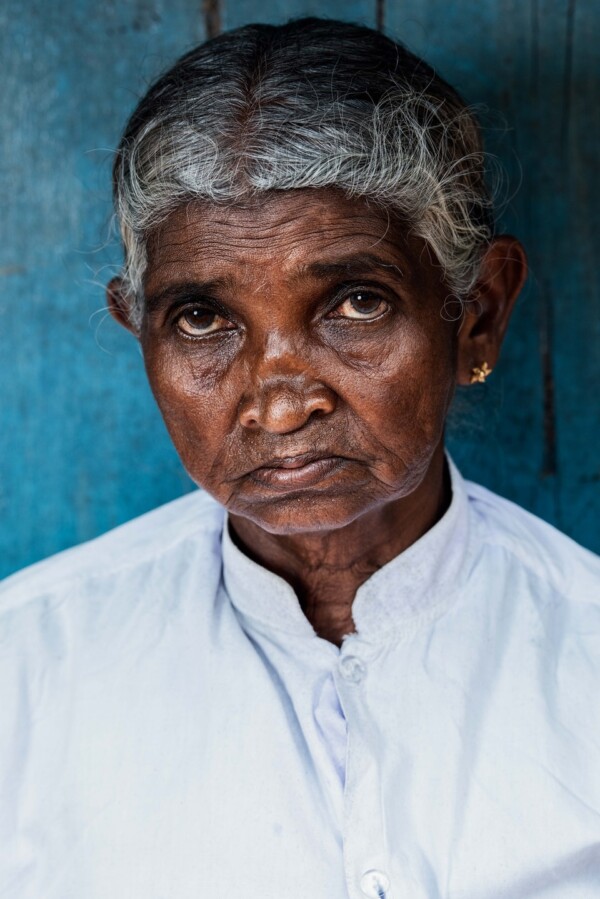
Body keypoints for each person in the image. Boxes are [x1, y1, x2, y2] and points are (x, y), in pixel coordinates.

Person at [1, 17, 599, 899]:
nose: (281, 402)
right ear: (138, 331)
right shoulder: (27, 671)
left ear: (478, 312)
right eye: (202, 319)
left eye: (356, 303)